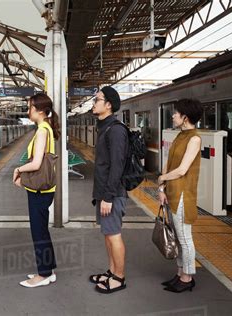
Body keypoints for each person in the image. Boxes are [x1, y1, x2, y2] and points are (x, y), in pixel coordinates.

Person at [13, 93, 60, 288]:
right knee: (42, 230)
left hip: (40, 191)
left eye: (30, 107)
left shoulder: (42, 130)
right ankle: (47, 269)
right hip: (44, 190)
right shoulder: (46, 128)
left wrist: (18, 170)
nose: (27, 110)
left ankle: (43, 274)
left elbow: (37, 163)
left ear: (39, 110)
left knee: (38, 231)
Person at [158, 98, 203, 293]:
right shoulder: (179, 136)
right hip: (172, 192)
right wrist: (162, 188)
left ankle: (187, 278)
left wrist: (162, 178)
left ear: (185, 117)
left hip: (184, 194)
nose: (173, 115)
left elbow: (182, 170)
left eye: (176, 113)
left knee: (185, 238)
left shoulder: (194, 138)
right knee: (177, 237)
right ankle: (179, 274)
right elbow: (169, 162)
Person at [88, 86, 129, 294]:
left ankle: (119, 278)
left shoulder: (116, 130)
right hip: (103, 193)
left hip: (111, 194)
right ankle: (111, 272)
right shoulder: (104, 127)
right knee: (107, 234)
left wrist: (108, 197)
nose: (94, 102)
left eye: (98, 99)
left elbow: (117, 166)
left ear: (108, 105)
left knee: (114, 235)